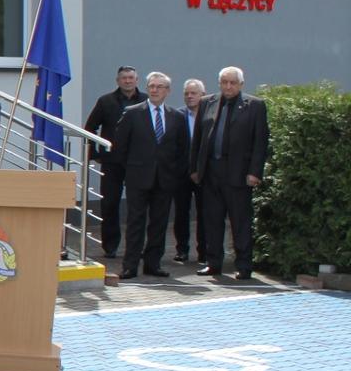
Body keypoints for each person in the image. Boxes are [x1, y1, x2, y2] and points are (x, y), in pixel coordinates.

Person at [191, 66, 270, 280]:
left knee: (240, 222)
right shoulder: (207, 102)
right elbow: (197, 139)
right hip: (211, 172)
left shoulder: (254, 106)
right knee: (212, 221)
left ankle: (244, 266)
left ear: (241, 85)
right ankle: (213, 263)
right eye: (224, 82)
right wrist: (195, 169)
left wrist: (255, 173)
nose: (228, 86)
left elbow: (260, 143)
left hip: (238, 173)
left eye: (232, 83)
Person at [107, 72, 188, 280]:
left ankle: (153, 264)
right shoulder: (133, 113)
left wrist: (174, 174)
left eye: (159, 86)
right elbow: (120, 148)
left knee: (159, 223)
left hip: (165, 179)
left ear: (167, 91)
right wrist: (132, 169)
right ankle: (130, 266)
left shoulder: (177, 117)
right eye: (151, 86)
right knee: (135, 222)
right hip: (138, 177)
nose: (154, 90)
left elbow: (182, 150)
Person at [84, 66, 142, 258]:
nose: (127, 81)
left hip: (137, 161)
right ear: (118, 81)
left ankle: (137, 246)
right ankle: (110, 246)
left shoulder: (145, 101)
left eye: (131, 78)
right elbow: (90, 127)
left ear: (136, 80)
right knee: (110, 204)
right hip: (112, 161)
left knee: (139, 205)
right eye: (124, 78)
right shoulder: (106, 101)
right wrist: (95, 153)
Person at [171, 79, 206, 264]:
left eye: (194, 93)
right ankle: (182, 249)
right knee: (181, 213)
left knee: (204, 213)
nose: (190, 96)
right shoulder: (177, 115)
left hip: (203, 174)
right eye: (187, 93)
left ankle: (204, 252)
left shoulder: (210, 115)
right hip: (182, 173)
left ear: (203, 94)